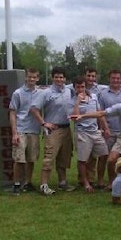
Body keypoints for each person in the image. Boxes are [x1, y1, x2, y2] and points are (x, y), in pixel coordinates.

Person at [30, 67, 75, 195]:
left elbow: (82, 87)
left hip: (66, 128)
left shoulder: (68, 91)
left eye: (61, 77)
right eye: (56, 77)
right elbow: (34, 109)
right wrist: (44, 123)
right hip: (53, 130)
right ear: (52, 78)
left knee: (64, 157)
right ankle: (44, 185)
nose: (59, 79)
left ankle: (62, 182)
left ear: (65, 79)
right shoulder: (46, 93)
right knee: (49, 157)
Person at [68, 76, 109, 193]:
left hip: (95, 131)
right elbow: (75, 119)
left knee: (104, 155)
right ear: (74, 88)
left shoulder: (94, 97)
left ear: (85, 87)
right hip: (82, 132)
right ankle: (85, 183)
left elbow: (99, 114)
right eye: (78, 87)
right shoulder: (72, 101)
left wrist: (105, 128)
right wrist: (77, 102)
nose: (80, 89)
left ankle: (100, 181)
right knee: (82, 160)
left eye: (82, 87)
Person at [8, 68, 42, 195]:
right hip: (21, 129)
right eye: (29, 77)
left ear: (37, 78)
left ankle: (28, 182)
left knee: (31, 158)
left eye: (34, 77)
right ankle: (16, 184)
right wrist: (14, 133)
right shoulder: (18, 93)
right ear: (26, 77)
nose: (31, 79)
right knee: (19, 159)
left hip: (34, 130)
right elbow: (12, 112)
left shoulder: (40, 93)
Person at [96, 69, 121, 188]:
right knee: (104, 157)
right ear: (109, 79)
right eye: (113, 78)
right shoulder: (103, 94)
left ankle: (120, 181)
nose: (115, 80)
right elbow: (100, 112)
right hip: (108, 131)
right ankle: (101, 181)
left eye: (118, 78)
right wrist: (105, 128)